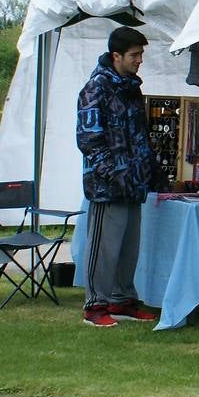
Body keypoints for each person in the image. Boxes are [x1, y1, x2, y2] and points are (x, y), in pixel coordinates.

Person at [75, 26, 156, 328]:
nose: (139, 61)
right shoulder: (95, 88)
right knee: (104, 247)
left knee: (129, 247)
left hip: (133, 182)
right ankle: (95, 305)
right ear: (116, 55)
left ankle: (122, 299)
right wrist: (112, 173)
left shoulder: (131, 89)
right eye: (135, 55)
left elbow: (140, 135)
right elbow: (89, 139)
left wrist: (149, 170)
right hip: (106, 186)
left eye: (141, 55)